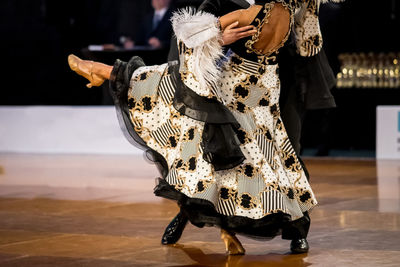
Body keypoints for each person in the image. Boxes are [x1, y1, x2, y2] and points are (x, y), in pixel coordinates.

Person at [68, 0, 325, 254]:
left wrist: (218, 38)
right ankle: (103, 70)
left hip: (247, 93)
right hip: (251, 92)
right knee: (244, 161)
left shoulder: (259, 12)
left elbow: (190, 39)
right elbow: (307, 45)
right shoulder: (284, 12)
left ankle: (103, 70)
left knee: (172, 95)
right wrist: (219, 38)